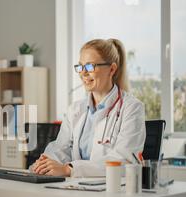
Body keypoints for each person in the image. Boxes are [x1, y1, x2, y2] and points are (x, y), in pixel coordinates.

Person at [31, 39, 146, 178]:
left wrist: (70, 170)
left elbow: (124, 161)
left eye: (90, 67)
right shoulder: (75, 110)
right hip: (76, 188)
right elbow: (61, 148)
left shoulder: (132, 108)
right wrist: (45, 163)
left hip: (111, 191)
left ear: (112, 69)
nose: (83, 73)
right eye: (80, 67)